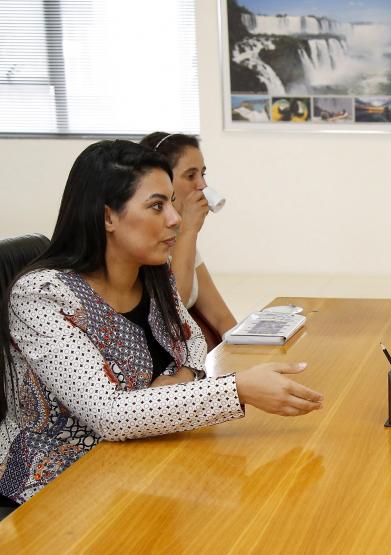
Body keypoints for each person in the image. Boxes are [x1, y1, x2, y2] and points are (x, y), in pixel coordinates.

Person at [0, 140, 323, 505]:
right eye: (157, 205)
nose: (175, 218)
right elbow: (107, 413)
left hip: (140, 459)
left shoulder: (153, 274)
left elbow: (192, 341)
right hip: (60, 484)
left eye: (171, 201)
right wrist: (239, 389)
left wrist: (181, 377)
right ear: (107, 217)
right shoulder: (42, 295)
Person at [138, 132, 236, 342]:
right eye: (191, 176)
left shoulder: (181, 236)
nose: (202, 185)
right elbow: (173, 311)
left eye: (203, 174)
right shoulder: (144, 244)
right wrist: (189, 231)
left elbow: (221, 317)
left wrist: (248, 351)